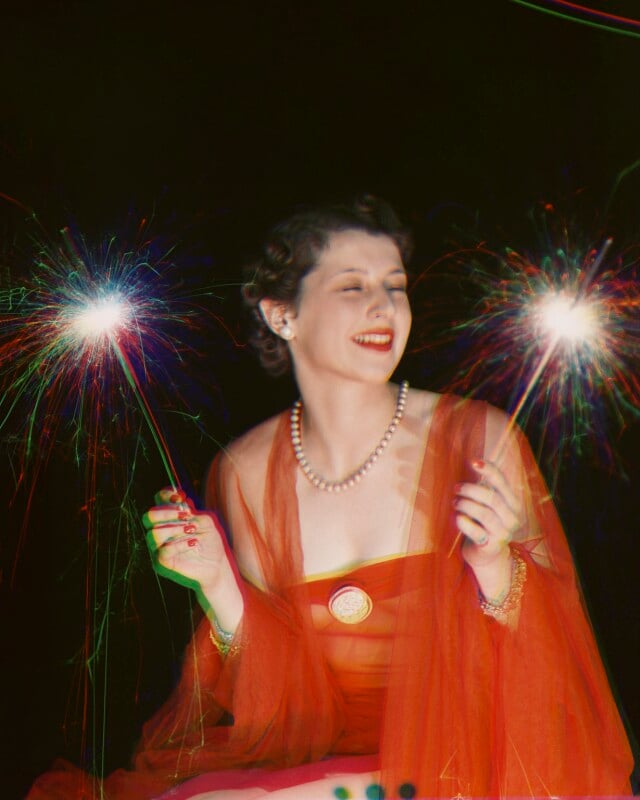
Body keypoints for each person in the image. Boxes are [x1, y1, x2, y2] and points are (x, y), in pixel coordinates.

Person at [28, 197, 634, 800]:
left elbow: (558, 680)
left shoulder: (478, 437)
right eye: (352, 286)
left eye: (395, 286)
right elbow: (285, 716)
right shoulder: (242, 471)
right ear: (281, 315)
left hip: (470, 762)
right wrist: (219, 585)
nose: (383, 307)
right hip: (316, 765)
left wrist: (497, 568)